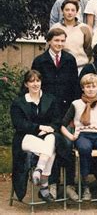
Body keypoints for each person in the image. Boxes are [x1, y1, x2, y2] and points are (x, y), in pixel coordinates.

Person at [31, 28, 80, 200]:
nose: (59, 44)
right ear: (49, 41)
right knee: (52, 145)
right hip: (48, 113)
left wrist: (74, 114)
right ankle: (52, 183)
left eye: (62, 41)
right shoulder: (40, 61)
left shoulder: (69, 59)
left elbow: (75, 87)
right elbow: (37, 87)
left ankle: (69, 185)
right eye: (56, 40)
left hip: (67, 111)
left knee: (67, 144)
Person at [61, 74, 97, 210]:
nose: (91, 89)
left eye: (93, 86)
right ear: (82, 88)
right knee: (84, 149)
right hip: (83, 135)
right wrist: (71, 136)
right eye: (87, 86)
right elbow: (62, 124)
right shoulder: (76, 104)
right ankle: (86, 186)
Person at [10, 70, 66, 203]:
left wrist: (51, 128)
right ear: (26, 84)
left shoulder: (50, 99)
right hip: (25, 138)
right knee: (51, 149)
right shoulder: (18, 103)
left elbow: (57, 120)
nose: (35, 84)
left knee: (52, 139)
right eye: (31, 81)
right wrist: (39, 127)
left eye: (38, 81)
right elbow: (19, 124)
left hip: (46, 136)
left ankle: (39, 170)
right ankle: (44, 184)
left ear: (41, 82)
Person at [51, 0, 92, 73]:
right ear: (62, 11)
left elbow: (88, 49)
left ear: (77, 12)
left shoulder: (84, 28)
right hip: (61, 68)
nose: (70, 13)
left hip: (80, 68)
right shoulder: (55, 28)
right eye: (67, 10)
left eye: (73, 10)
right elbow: (50, 49)